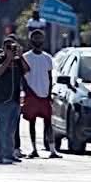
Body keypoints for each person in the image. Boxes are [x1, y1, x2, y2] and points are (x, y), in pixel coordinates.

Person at [22, 30, 59, 158]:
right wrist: (27, 90)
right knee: (31, 122)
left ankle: (52, 150)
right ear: (31, 41)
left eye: (40, 38)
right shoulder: (26, 57)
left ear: (43, 41)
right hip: (31, 94)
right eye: (35, 38)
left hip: (45, 95)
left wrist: (49, 93)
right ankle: (34, 149)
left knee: (48, 123)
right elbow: (22, 76)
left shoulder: (48, 58)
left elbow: (50, 77)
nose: (37, 41)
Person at [0, 36, 28, 165]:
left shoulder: (18, 61)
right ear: (3, 49)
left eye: (12, 47)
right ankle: (0, 155)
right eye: (8, 47)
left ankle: (9, 153)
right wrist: (8, 58)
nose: (10, 50)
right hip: (2, 99)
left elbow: (27, 70)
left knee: (12, 130)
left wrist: (21, 56)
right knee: (2, 129)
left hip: (15, 100)